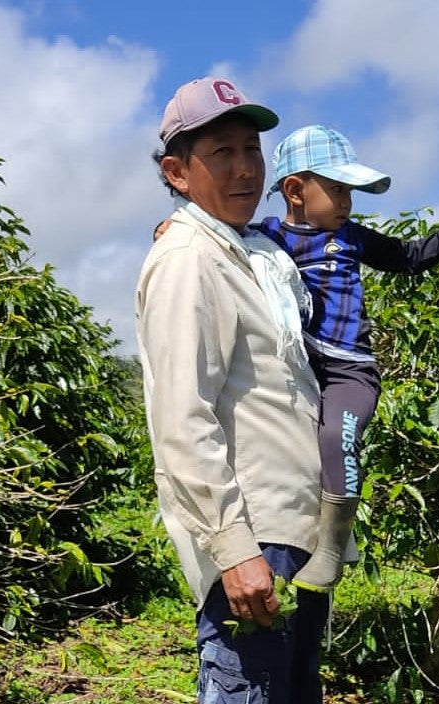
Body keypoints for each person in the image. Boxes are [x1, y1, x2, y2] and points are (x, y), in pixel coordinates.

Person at [136, 77, 330, 703]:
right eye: (223, 153)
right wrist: (233, 548)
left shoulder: (250, 254)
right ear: (178, 172)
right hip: (248, 537)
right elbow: (181, 417)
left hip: (276, 532)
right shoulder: (190, 258)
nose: (246, 167)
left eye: (252, 148)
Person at [256, 124, 439, 592]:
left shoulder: (352, 238)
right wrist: (167, 225)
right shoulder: (264, 237)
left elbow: (408, 257)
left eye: (350, 191)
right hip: (300, 371)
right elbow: (214, 240)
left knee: (338, 436)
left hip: (351, 371)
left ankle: (331, 550)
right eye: (337, 190)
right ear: (295, 190)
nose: (348, 202)